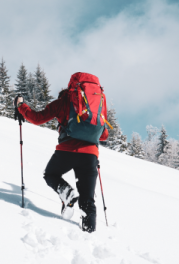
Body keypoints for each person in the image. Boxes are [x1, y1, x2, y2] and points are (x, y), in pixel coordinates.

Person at [14, 72, 109, 233]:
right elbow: (104, 135)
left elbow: (37, 118)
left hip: (67, 151)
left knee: (51, 175)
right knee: (88, 201)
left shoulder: (64, 101)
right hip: (90, 155)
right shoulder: (97, 103)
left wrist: (21, 105)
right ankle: (89, 236)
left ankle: (68, 193)